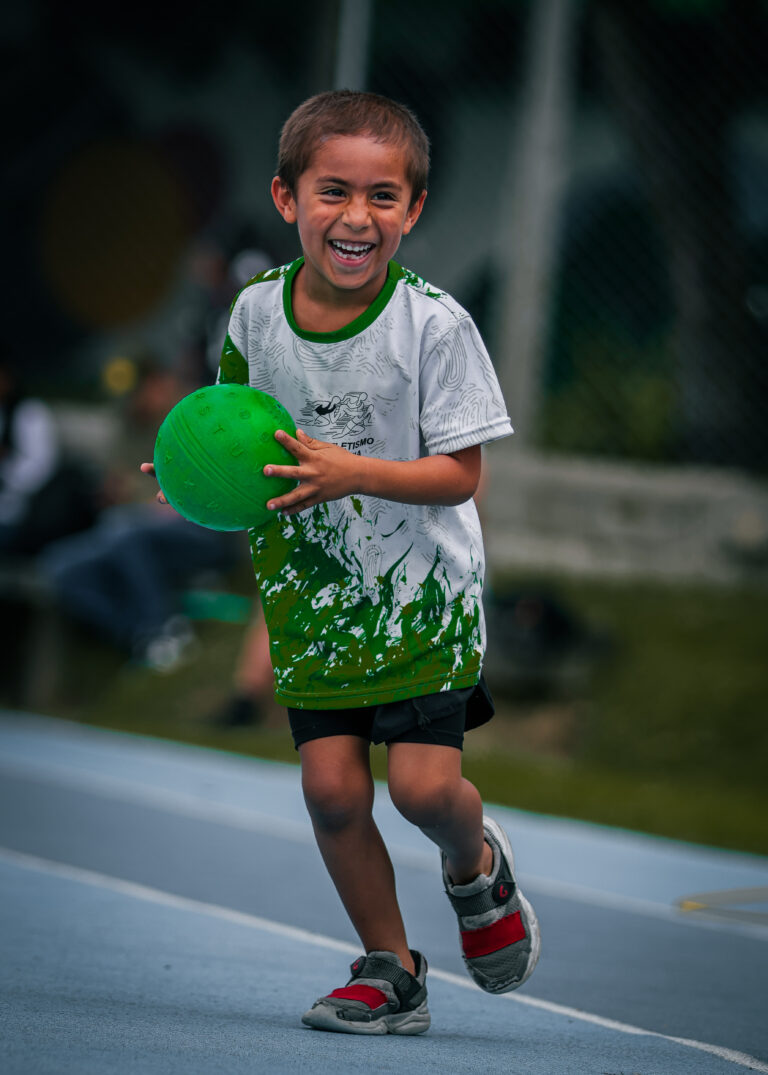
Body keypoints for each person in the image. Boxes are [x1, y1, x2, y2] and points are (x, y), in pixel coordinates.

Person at [144, 90, 540, 1033]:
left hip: (419, 596)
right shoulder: (254, 313)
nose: (357, 216)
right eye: (333, 191)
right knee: (330, 793)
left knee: (423, 791)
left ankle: (475, 866)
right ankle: (391, 967)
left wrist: (351, 472)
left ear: (414, 209)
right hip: (313, 595)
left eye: (382, 196)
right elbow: (231, 429)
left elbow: (461, 475)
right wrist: (193, 474)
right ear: (287, 198)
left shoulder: (434, 327)